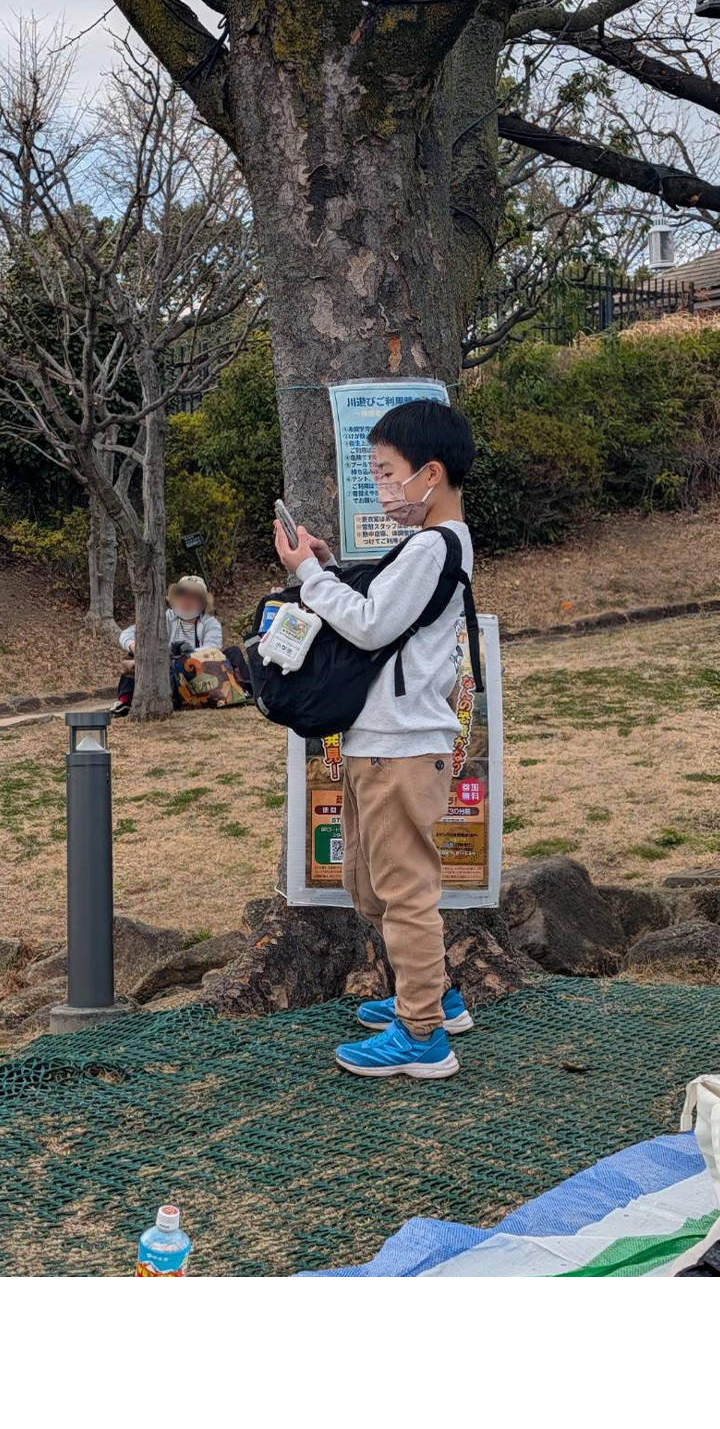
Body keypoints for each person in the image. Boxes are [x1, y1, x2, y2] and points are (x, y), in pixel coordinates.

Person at [273, 398, 476, 1081]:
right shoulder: (428, 546)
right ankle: (434, 996)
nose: (383, 487)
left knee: (403, 891)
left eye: (388, 472)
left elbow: (368, 626)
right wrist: (327, 566)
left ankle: (422, 1036)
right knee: (370, 885)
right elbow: (381, 607)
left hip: (401, 745)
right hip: (383, 741)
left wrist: (308, 576)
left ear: (430, 473)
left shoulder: (434, 544)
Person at [112, 574, 250, 715]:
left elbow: (213, 648)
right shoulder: (164, 617)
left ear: (202, 602)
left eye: (193, 597)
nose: (186, 601)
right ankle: (125, 701)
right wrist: (134, 646)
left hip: (200, 673)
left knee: (233, 652)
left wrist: (189, 654)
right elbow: (128, 633)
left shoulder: (210, 623)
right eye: (182, 595)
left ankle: (245, 690)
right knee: (132, 656)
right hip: (167, 670)